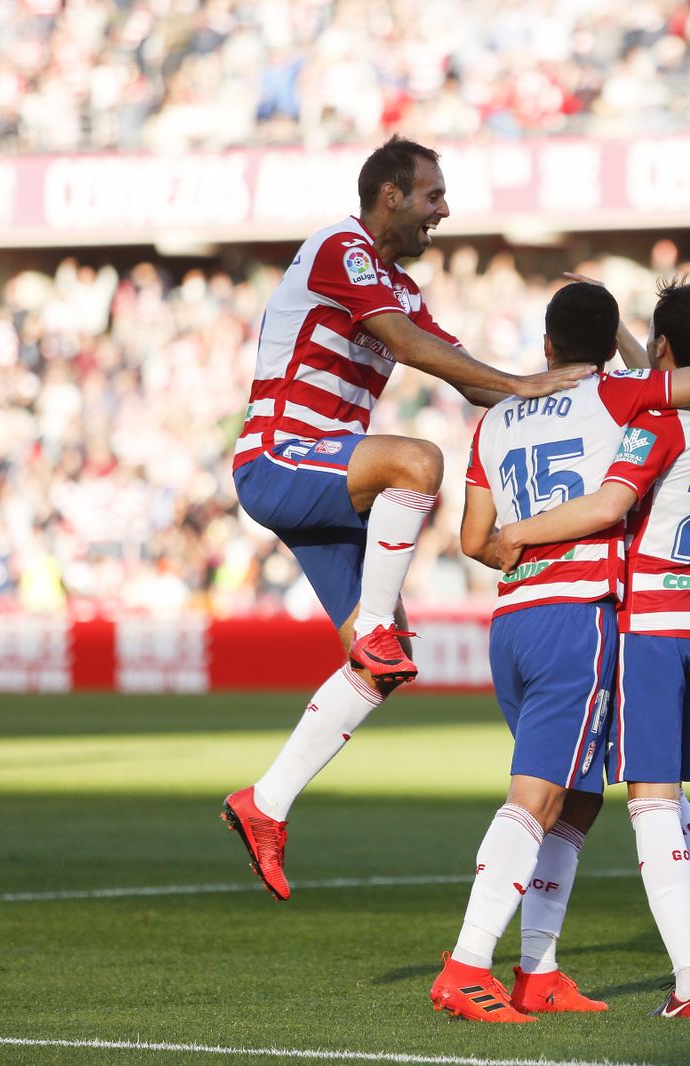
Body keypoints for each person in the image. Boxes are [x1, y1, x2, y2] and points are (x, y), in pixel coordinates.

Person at [220, 137, 589, 900]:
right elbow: (408, 346)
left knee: (378, 669)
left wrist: (576, 391)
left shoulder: (400, 287)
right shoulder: (341, 248)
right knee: (418, 463)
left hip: (331, 475)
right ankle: (380, 625)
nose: (443, 210)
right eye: (432, 195)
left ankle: (264, 803)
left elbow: (474, 380)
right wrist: (521, 383)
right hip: (283, 455)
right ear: (389, 195)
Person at [428, 280, 690, 1023]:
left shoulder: (498, 418)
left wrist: (518, 544)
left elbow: (475, 540)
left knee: (575, 802)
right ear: (613, 349)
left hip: (513, 620)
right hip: (580, 617)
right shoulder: (625, 396)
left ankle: (538, 968)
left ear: (547, 346)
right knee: (539, 797)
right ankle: (466, 964)